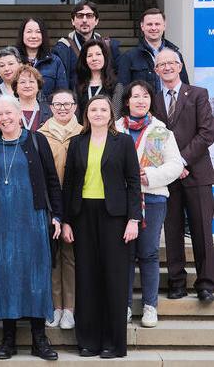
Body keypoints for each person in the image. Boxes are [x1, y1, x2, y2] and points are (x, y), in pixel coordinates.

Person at [0, 94, 62, 361]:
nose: (4, 118)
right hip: (0, 224)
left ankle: (39, 339)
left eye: (8, 113)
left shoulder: (37, 141)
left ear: (19, 114)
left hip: (33, 221)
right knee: (5, 277)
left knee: (35, 276)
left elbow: (52, 180)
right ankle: (8, 339)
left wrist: (58, 216)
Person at [62, 95, 141, 358]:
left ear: (111, 114)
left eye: (103, 109)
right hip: (82, 215)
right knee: (87, 277)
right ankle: (88, 341)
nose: (98, 113)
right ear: (86, 114)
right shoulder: (77, 142)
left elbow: (133, 182)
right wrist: (66, 220)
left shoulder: (123, 142)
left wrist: (133, 219)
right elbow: (69, 183)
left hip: (115, 217)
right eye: (93, 109)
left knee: (113, 278)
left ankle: (112, 343)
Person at [116, 80, 183, 327]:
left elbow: (176, 165)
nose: (141, 100)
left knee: (149, 253)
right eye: (135, 96)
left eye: (145, 96)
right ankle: (122, 305)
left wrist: (150, 176)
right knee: (124, 254)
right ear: (127, 101)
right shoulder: (115, 129)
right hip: (121, 200)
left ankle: (150, 306)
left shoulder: (161, 130)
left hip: (152, 198)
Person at [153, 48, 214, 302]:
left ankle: (206, 284)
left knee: (202, 230)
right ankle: (176, 282)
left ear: (180, 66)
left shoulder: (198, 94)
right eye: (162, 64)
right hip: (169, 177)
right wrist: (172, 166)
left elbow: (207, 132)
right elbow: (154, 139)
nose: (167, 67)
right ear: (156, 70)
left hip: (197, 172)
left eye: (172, 63)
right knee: (173, 229)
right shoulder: (154, 99)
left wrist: (180, 161)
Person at [38, 89, 82, 330]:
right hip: (50, 204)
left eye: (67, 104)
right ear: (50, 107)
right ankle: (55, 306)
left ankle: (70, 309)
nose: (63, 108)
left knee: (71, 256)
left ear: (75, 106)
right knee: (53, 256)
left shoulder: (83, 133)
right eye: (58, 104)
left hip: (77, 203)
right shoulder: (40, 135)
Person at [53, 0, 122, 89]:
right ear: (72, 21)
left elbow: (119, 82)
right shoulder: (62, 49)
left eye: (89, 16)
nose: (84, 20)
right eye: (80, 16)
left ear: (96, 21)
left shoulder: (109, 46)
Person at [118, 8, 189, 92]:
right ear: (142, 26)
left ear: (164, 26)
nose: (153, 28)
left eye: (157, 24)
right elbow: (123, 91)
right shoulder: (128, 57)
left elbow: (185, 88)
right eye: (149, 24)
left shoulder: (176, 55)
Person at [16, 17, 68, 100]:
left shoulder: (55, 61)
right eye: (29, 32)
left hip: (47, 108)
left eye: (38, 32)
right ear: (22, 34)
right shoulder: (14, 60)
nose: (33, 36)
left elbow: (62, 93)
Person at [75, 38, 122, 120]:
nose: (94, 58)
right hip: (83, 127)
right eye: (89, 55)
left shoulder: (116, 85)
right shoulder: (78, 84)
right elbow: (76, 115)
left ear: (105, 57)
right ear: (85, 60)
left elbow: (115, 116)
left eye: (98, 54)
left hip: (107, 127)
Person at [12, 64, 52, 132]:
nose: (27, 86)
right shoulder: (8, 110)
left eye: (31, 81)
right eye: (22, 82)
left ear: (38, 85)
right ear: (16, 87)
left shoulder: (50, 110)